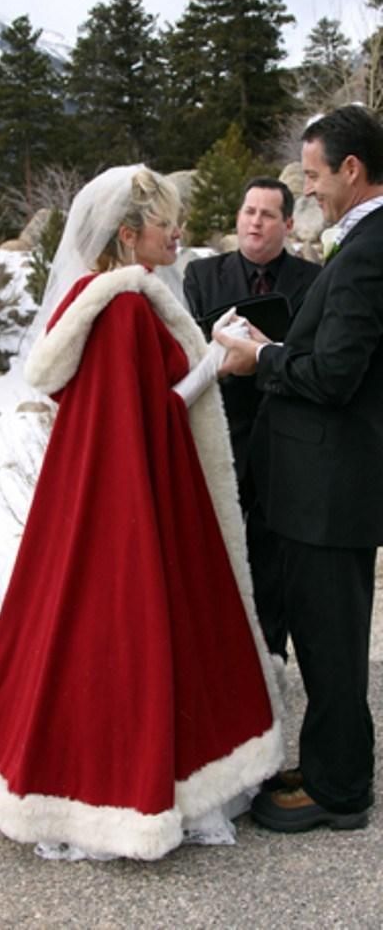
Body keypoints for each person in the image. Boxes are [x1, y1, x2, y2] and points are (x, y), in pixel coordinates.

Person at [0, 165, 283, 861]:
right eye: (165, 226)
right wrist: (214, 361)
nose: (177, 233)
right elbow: (148, 417)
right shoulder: (126, 308)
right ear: (129, 236)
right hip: (141, 494)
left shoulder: (88, 301)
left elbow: (110, 413)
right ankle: (141, 788)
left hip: (90, 494)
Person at [216, 104, 383, 833]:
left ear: (351, 170)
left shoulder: (372, 250)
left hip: (332, 492)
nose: (308, 188)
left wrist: (264, 357)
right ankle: (324, 763)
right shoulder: (364, 244)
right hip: (326, 488)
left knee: (332, 643)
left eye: (313, 176)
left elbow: (337, 374)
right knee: (324, 636)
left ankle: (341, 789)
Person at [184, 178, 321, 660]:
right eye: (248, 212)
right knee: (212, 554)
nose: (254, 222)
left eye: (266, 214)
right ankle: (218, 663)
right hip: (223, 433)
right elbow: (192, 354)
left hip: (286, 436)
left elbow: (313, 360)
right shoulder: (202, 277)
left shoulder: (312, 281)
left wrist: (267, 352)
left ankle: (272, 661)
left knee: (272, 559)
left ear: (287, 224)